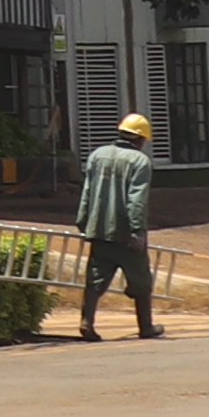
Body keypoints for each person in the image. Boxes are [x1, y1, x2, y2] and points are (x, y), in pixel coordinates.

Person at [74, 110, 161, 339]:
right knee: (141, 280)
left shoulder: (98, 155)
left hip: (99, 231)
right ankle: (146, 326)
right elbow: (136, 200)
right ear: (141, 139)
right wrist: (137, 232)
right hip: (124, 235)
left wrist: (84, 222)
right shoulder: (140, 161)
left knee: (94, 280)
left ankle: (87, 322)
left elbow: (87, 192)